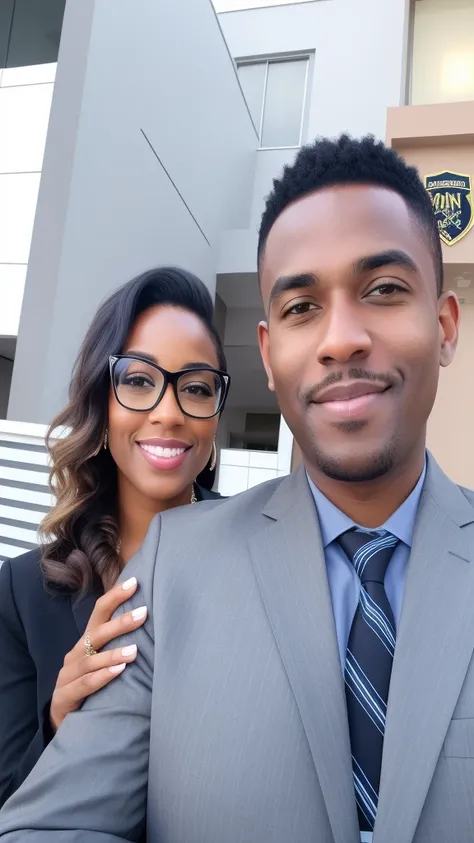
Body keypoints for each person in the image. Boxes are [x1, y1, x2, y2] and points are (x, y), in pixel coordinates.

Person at [0, 134, 470, 843]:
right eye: (302, 306)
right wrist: (62, 720)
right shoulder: (171, 565)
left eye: (383, 289)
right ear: (271, 356)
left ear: (445, 326)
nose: (341, 338)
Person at [0, 266, 230, 809]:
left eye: (196, 388)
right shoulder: (22, 594)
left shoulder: (260, 555)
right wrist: (58, 717)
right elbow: (7, 798)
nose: (169, 412)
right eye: (138, 380)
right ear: (101, 402)